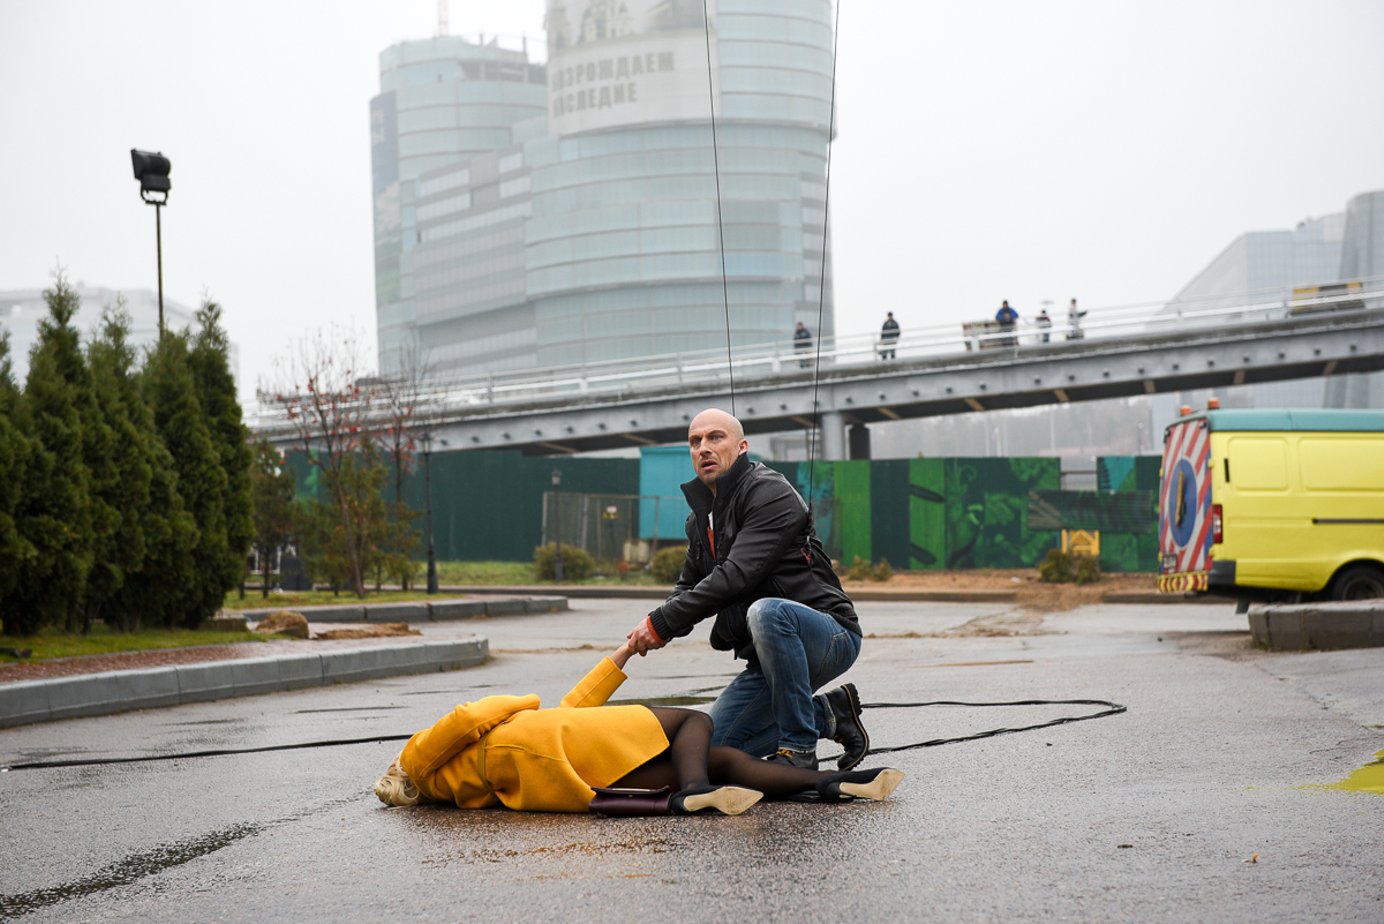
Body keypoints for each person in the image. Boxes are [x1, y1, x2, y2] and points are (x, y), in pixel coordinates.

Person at [373, 641, 905, 815]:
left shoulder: (448, 792)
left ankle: (830, 784)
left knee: (713, 758)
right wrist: (524, 701)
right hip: (556, 738)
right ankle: (701, 790)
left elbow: (570, 707)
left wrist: (619, 658)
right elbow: (475, 716)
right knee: (695, 724)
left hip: (565, 779)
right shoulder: (419, 756)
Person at [625, 408, 869, 771]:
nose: (704, 447)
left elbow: (735, 575)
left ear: (741, 447)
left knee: (768, 611)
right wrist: (652, 627)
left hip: (829, 634)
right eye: (696, 441)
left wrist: (662, 622)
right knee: (710, 750)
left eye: (715, 437)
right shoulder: (700, 520)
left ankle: (799, 749)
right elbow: (688, 586)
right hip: (768, 657)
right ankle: (830, 716)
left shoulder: (769, 492)